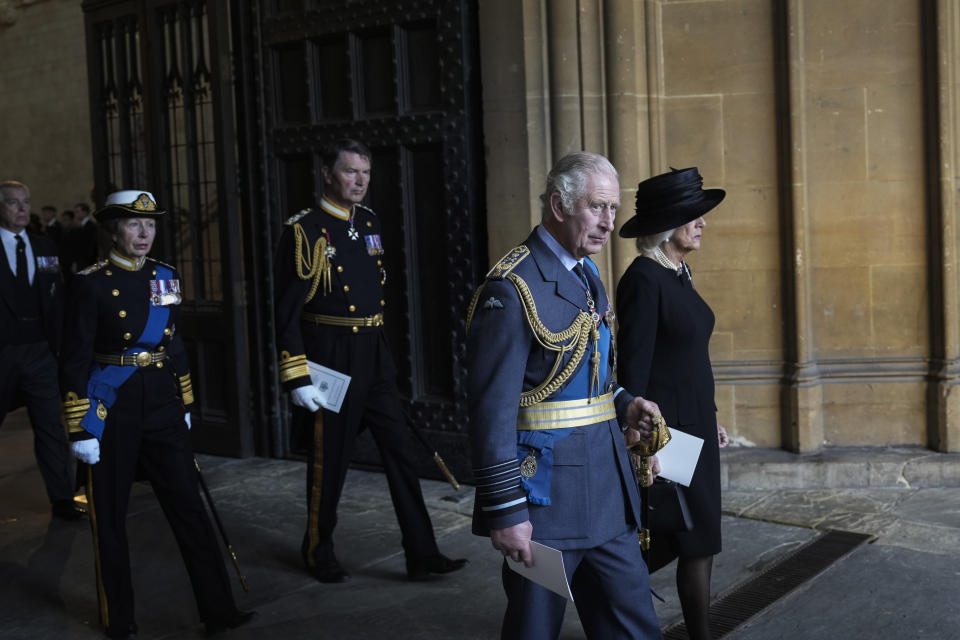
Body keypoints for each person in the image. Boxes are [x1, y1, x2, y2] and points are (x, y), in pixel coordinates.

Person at [466, 151, 662, 640]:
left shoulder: (587, 275)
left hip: (608, 490)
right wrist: (506, 512)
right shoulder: (511, 288)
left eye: (613, 210)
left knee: (634, 624)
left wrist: (624, 403)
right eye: (597, 207)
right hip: (544, 501)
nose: (608, 223)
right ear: (558, 204)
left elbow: (585, 377)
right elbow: (490, 413)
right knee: (535, 630)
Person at [59, 190, 253, 638]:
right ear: (113, 230)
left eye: (151, 225)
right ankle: (120, 619)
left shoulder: (165, 275)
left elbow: (175, 344)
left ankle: (219, 610)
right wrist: (79, 426)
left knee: (190, 508)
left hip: (162, 406)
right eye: (133, 224)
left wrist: (184, 402)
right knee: (109, 518)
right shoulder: (90, 282)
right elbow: (73, 360)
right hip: (113, 411)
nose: (145, 233)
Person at [273, 138, 466, 583]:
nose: (359, 181)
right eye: (350, 172)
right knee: (331, 460)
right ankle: (318, 548)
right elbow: (285, 312)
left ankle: (421, 552)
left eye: (365, 173)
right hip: (329, 358)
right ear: (327, 173)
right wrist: (296, 374)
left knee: (400, 452)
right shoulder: (304, 232)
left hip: (372, 356)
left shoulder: (372, 222)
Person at [616, 167, 729, 640]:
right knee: (681, 539)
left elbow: (689, 358)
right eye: (693, 216)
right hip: (670, 435)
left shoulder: (678, 271)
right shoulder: (644, 279)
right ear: (667, 225)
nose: (703, 222)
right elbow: (634, 373)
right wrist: (645, 446)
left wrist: (714, 419)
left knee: (698, 540)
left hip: (697, 426)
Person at [0, 180, 82, 521]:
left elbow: (57, 297)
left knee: (50, 426)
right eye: (13, 203)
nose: (22, 209)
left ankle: (62, 499)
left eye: (26, 202)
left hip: (41, 354)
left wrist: (61, 348)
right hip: (2, 353)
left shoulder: (45, 246)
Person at [63, 201, 98, 273]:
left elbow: (89, 246)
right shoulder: (79, 226)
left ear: (85, 212)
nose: (76, 214)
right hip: (81, 261)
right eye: (75, 212)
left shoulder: (90, 226)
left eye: (78, 212)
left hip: (87, 261)